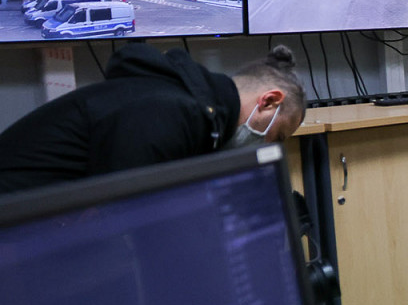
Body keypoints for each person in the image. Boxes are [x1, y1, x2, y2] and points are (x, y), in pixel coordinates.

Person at [0, 44, 307, 195]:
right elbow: (129, 220)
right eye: (278, 136)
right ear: (268, 101)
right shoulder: (172, 112)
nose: (271, 144)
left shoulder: (196, 112)